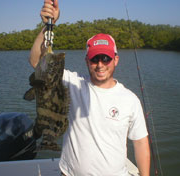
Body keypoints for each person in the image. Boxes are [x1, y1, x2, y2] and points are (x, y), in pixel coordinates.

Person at [30, 0, 150, 175]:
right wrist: (48, 26)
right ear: (87, 61)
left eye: (106, 58)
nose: (100, 65)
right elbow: (36, 62)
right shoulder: (73, 84)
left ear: (115, 60)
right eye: (94, 59)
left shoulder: (130, 100)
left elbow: (140, 143)